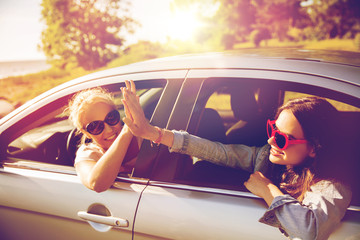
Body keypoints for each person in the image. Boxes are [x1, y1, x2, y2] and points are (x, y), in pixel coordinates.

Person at [121, 80, 352, 240]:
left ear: (313, 148)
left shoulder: (332, 185)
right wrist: (154, 134)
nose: (271, 141)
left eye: (282, 139)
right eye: (272, 130)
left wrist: (268, 190)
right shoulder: (267, 157)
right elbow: (218, 151)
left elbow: (310, 231)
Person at [66, 86, 142, 193]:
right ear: (86, 133)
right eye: (96, 126)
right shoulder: (89, 154)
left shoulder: (141, 136)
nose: (109, 130)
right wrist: (127, 131)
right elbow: (96, 184)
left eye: (111, 118)